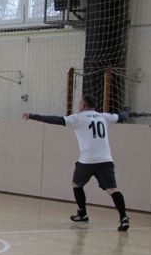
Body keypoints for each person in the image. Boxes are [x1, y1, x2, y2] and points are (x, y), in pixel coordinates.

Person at [24, 95, 131, 231]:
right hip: (106, 160)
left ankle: (83, 214)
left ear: (83, 105)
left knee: (76, 184)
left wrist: (33, 116)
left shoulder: (78, 118)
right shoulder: (104, 116)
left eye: (80, 103)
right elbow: (121, 116)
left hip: (87, 161)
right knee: (113, 190)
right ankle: (123, 218)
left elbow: (55, 120)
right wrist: (127, 110)